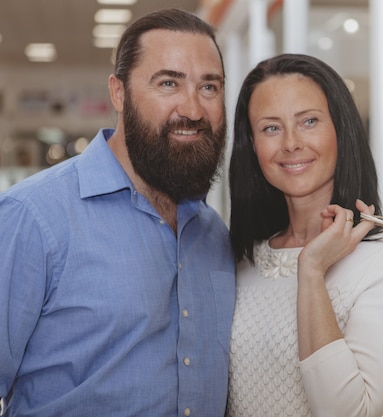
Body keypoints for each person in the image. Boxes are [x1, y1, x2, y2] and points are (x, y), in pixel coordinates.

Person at [0, 9, 235, 417]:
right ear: (119, 93)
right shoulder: (34, 218)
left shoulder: (213, 234)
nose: (193, 109)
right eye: (168, 83)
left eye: (209, 87)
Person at [227, 53, 383, 417]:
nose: (291, 143)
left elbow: (348, 412)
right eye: (271, 128)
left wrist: (313, 270)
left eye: (309, 121)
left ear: (341, 129)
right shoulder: (242, 256)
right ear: (251, 146)